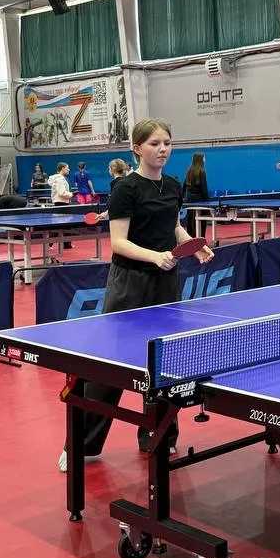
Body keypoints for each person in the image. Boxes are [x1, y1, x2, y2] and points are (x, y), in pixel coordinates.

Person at [59, 118, 212, 472]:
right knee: (111, 365)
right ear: (137, 148)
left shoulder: (173, 185)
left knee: (163, 365)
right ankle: (81, 444)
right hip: (130, 283)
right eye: (155, 143)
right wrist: (154, 256)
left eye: (167, 143)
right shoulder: (125, 188)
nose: (163, 149)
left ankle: (158, 436)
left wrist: (192, 245)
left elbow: (173, 226)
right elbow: (118, 242)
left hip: (166, 283)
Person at [183, 152, 210, 239]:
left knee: (191, 220)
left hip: (189, 200)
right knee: (201, 220)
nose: (205, 159)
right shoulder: (202, 171)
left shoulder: (189, 171)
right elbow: (204, 188)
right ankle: (201, 240)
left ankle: (190, 239)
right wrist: (208, 202)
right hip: (199, 201)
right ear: (200, 159)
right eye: (204, 158)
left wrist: (183, 198)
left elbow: (184, 185)